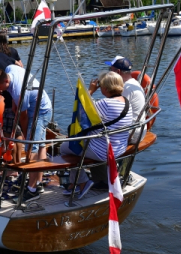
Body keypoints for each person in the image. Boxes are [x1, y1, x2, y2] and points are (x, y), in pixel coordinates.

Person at [55, 71, 132, 199]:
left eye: (101, 85)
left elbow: (82, 114)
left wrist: (90, 91)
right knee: (75, 144)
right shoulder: (126, 103)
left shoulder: (105, 104)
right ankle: (73, 184)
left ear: (105, 88)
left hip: (104, 151)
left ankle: (83, 181)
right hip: (120, 148)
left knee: (65, 148)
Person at [0, 65, 52, 202]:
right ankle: (38, 183)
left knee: (31, 148)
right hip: (41, 105)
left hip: (40, 112)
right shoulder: (9, 69)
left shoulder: (17, 91)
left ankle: (32, 190)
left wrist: (25, 136)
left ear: (5, 82)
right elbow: (17, 106)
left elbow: (23, 117)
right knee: (41, 146)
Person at [104, 55, 146, 142]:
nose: (108, 73)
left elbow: (114, 113)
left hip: (132, 134)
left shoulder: (125, 88)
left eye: (110, 70)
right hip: (138, 131)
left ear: (118, 72)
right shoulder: (134, 83)